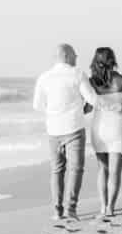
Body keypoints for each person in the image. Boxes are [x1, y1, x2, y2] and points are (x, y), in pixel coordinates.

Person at [31, 43, 87, 223]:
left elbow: (37, 106)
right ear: (68, 56)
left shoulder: (44, 77)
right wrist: (83, 108)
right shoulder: (77, 74)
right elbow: (92, 98)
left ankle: (57, 210)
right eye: (75, 55)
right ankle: (71, 209)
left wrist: (54, 112)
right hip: (74, 128)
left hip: (53, 130)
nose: (77, 58)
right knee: (75, 168)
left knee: (57, 170)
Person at [80, 46, 122, 219]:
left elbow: (87, 109)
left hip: (99, 127)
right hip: (118, 126)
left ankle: (103, 207)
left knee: (102, 169)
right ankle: (111, 208)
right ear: (113, 60)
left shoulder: (91, 82)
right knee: (115, 171)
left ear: (95, 61)